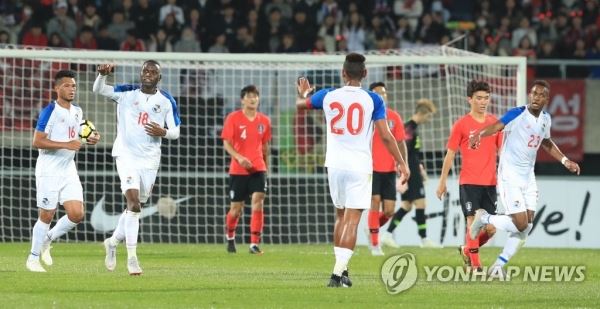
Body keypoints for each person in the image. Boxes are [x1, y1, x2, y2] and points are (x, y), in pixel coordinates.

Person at [296, 53, 410, 288]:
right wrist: (401, 162)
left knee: (340, 217)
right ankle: (337, 275)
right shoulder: (373, 100)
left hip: (334, 165)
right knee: (352, 222)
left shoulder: (327, 95)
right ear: (365, 74)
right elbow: (386, 136)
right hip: (359, 166)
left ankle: (343, 271)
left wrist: (305, 94)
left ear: (343, 73)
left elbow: (302, 105)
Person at [469, 80, 580, 278]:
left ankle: (497, 267)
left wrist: (565, 160)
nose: (536, 98)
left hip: (528, 176)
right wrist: (480, 134)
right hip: (509, 174)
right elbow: (496, 126)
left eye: (540, 95)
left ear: (547, 99)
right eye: (533, 94)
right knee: (520, 224)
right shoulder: (517, 113)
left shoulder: (546, 119)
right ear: (530, 95)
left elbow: (546, 142)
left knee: (527, 224)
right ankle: (484, 218)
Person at [93, 61, 181, 275]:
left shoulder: (167, 101)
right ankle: (132, 259)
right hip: (126, 155)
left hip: (150, 160)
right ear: (140, 74)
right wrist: (102, 76)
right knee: (133, 204)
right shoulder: (127, 93)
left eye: (153, 72)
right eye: (145, 71)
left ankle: (112, 242)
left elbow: (176, 131)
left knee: (135, 208)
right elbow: (98, 89)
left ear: (159, 78)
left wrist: (163, 132)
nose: (148, 74)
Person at [27, 70, 101, 272]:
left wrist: (91, 138)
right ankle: (32, 259)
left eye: (74, 86)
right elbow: (37, 141)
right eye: (67, 85)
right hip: (49, 169)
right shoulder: (49, 111)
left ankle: (48, 239)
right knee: (47, 214)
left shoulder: (77, 111)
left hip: (68, 169)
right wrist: (66, 145)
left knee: (77, 214)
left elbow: (79, 135)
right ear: (57, 88)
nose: (72, 89)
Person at [436, 80, 499, 272]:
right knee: (472, 222)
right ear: (469, 100)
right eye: (479, 98)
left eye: (486, 98)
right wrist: (442, 182)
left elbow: (503, 152)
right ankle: (476, 266)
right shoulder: (462, 125)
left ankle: (467, 250)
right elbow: (450, 154)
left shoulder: (495, 124)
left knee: (490, 229)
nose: (483, 102)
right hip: (469, 182)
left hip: (490, 183)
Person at [381, 98, 441, 248]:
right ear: (423, 113)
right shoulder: (408, 128)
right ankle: (424, 240)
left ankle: (387, 235)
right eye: (429, 116)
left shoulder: (412, 128)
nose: (429, 119)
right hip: (410, 172)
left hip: (413, 170)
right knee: (421, 203)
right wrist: (405, 171)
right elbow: (403, 150)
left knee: (407, 205)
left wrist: (421, 170)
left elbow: (413, 153)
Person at [221, 85, 271, 255]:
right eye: (249, 96)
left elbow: (265, 146)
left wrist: (266, 168)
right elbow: (226, 142)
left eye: (255, 96)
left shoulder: (264, 121)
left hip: (258, 168)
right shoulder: (233, 118)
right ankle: (230, 236)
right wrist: (239, 158)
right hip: (238, 170)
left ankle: (254, 244)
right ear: (242, 99)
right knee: (236, 209)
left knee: (258, 200)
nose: (253, 99)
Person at [366, 82, 407, 256]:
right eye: (377, 93)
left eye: (384, 93)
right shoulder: (366, 117)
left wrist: (403, 163)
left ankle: (372, 229)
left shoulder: (394, 117)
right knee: (375, 201)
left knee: (389, 210)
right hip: (371, 168)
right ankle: (375, 245)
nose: (382, 96)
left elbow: (400, 142)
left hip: (389, 169)